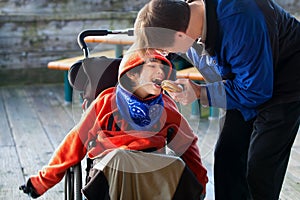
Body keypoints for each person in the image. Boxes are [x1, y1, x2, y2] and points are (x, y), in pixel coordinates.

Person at [133, 0, 300, 199]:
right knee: (227, 156)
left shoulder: (240, 19)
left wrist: (199, 93)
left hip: (286, 80)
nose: (168, 55)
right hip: (243, 78)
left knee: (260, 166)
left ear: (180, 34)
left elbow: (256, 91)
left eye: (166, 50)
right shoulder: (185, 17)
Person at [19, 49, 208, 199]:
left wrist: (200, 184)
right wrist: (40, 182)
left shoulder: (166, 107)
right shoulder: (105, 102)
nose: (161, 72)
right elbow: (75, 142)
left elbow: (188, 146)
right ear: (132, 75)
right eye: (153, 66)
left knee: (176, 164)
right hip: (110, 171)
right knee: (120, 158)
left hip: (150, 173)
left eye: (163, 68)